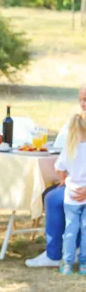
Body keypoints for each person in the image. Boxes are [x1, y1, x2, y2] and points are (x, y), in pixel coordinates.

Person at [25, 85, 86, 267]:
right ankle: (54, 254)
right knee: (53, 197)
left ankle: (75, 250)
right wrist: (67, 180)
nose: (83, 104)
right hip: (79, 184)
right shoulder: (77, 125)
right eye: (81, 100)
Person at [54, 113, 86, 274]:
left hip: (72, 194)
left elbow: (58, 168)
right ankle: (84, 264)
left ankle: (67, 263)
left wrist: (63, 179)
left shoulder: (69, 149)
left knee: (71, 230)